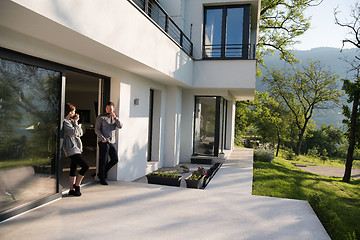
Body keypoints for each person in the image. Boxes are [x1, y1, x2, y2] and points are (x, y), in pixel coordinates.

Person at [63, 103, 89, 196]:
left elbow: (80, 132)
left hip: (77, 147)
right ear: (70, 112)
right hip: (72, 148)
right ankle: (77, 186)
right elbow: (74, 132)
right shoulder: (65, 122)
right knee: (85, 166)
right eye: (73, 111)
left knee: (73, 168)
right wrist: (75, 127)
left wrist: (75, 124)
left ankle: (71, 189)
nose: (74, 113)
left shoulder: (71, 121)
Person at [95, 102, 123, 185]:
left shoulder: (115, 118)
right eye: (107, 108)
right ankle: (102, 178)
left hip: (111, 141)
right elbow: (97, 129)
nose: (109, 110)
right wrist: (103, 139)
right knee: (103, 160)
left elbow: (120, 126)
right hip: (103, 142)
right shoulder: (101, 117)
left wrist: (115, 118)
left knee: (115, 159)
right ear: (105, 108)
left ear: (113, 109)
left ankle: (101, 173)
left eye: (110, 109)